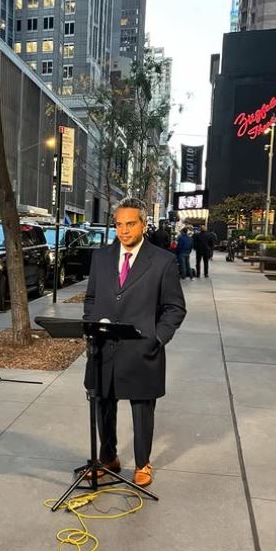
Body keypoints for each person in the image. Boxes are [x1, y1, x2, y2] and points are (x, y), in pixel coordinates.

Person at [83, 197, 186, 487]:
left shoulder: (163, 261)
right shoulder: (101, 257)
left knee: (142, 409)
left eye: (130, 224)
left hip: (142, 350)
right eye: (119, 224)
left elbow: (175, 308)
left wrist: (157, 337)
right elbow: (91, 297)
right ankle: (108, 458)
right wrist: (91, 323)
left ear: (143, 223)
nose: (124, 230)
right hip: (104, 349)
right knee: (103, 405)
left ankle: (143, 464)